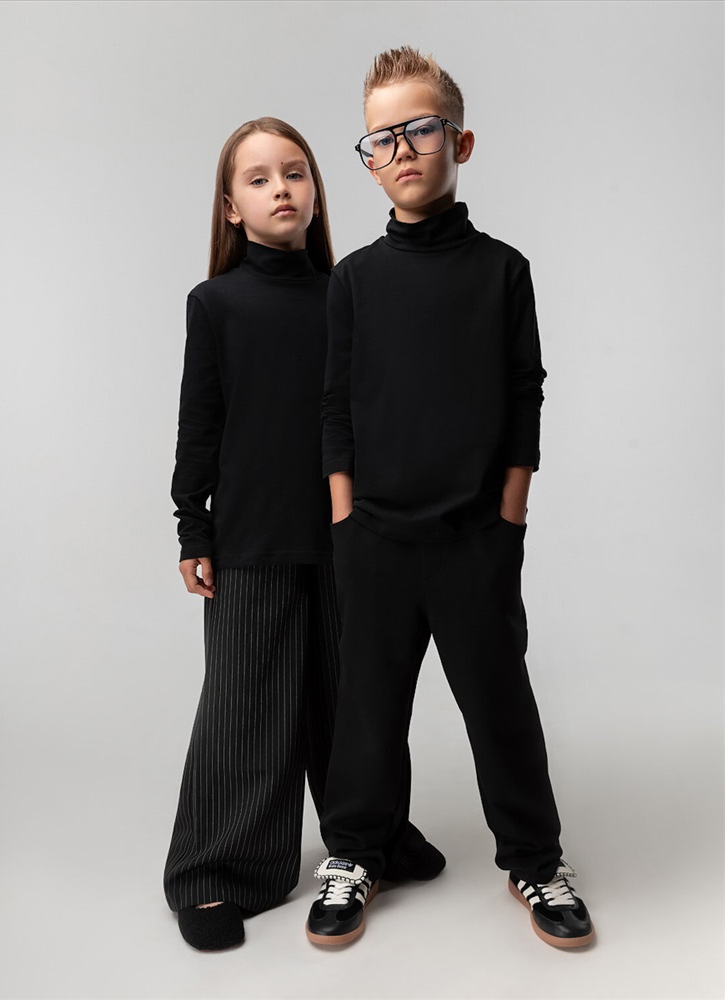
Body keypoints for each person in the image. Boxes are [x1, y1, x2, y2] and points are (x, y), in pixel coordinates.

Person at [305, 48, 595, 950]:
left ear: (459, 141)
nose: (400, 149)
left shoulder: (503, 270)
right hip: (374, 539)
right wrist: (345, 518)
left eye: (419, 129)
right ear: (368, 160)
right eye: (380, 137)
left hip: (475, 537)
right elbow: (336, 404)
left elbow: (524, 394)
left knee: (500, 703)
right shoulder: (354, 278)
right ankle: (355, 854)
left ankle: (536, 861)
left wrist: (510, 517)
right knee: (367, 712)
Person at [164, 117, 444, 952]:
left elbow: (378, 412)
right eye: (258, 179)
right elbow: (200, 424)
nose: (280, 188)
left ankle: (373, 839)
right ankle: (216, 873)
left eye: (294, 172)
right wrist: (192, 527)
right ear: (231, 208)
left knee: (354, 705)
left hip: (350, 535)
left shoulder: (349, 292)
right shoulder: (215, 304)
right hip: (251, 537)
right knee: (244, 710)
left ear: (317, 192)